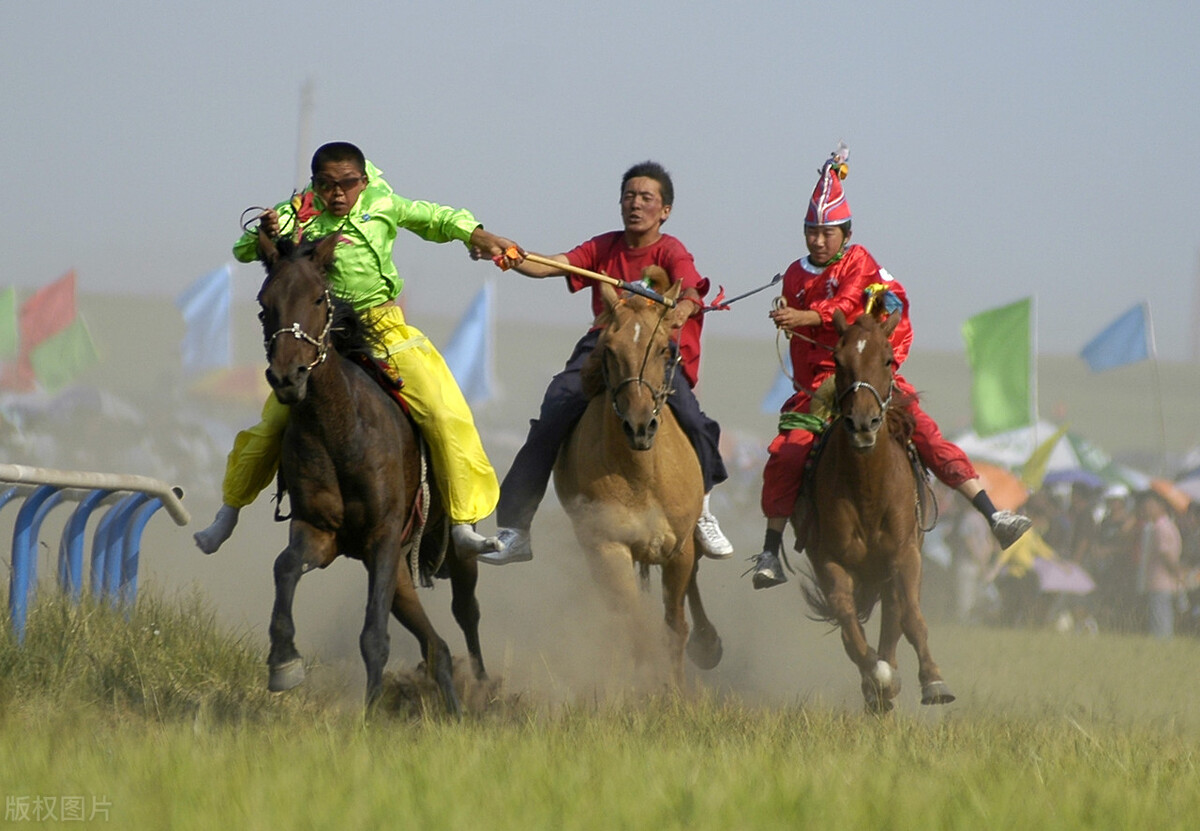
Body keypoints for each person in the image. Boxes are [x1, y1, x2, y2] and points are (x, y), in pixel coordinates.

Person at [194, 141, 522, 556]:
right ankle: (229, 512)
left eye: (348, 184)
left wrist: (477, 234)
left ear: (363, 181)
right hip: (322, 338)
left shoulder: (383, 201)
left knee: (445, 412)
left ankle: (462, 523)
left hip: (385, 330)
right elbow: (244, 252)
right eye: (327, 185)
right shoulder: (298, 210)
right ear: (315, 185)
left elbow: (434, 218)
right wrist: (266, 231)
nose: (338, 194)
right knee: (271, 424)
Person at [751, 143, 1032, 589]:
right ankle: (770, 550)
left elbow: (843, 306)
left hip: (865, 378)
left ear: (845, 232)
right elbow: (802, 337)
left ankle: (993, 514)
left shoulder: (859, 262)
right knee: (786, 454)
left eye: (827, 232)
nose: (818, 240)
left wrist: (804, 316)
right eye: (811, 231)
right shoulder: (793, 273)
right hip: (817, 387)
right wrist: (792, 321)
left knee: (924, 432)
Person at [477, 160, 732, 565]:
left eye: (646, 198)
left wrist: (683, 309)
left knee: (692, 418)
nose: (635, 204)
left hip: (653, 352)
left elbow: (690, 289)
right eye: (629, 196)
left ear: (664, 210)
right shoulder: (604, 247)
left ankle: (700, 513)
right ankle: (516, 528)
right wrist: (511, 255)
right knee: (555, 410)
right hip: (605, 346)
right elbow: (552, 263)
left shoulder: (671, 250)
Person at [1135, 490, 1185, 639]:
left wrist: (1177, 573)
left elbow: (1166, 554)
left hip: (1160, 581)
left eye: (1150, 505)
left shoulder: (1160, 528)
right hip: (1162, 582)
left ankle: (1162, 648)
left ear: (1161, 506)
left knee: (1160, 622)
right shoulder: (1165, 525)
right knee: (1161, 618)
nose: (1146, 509)